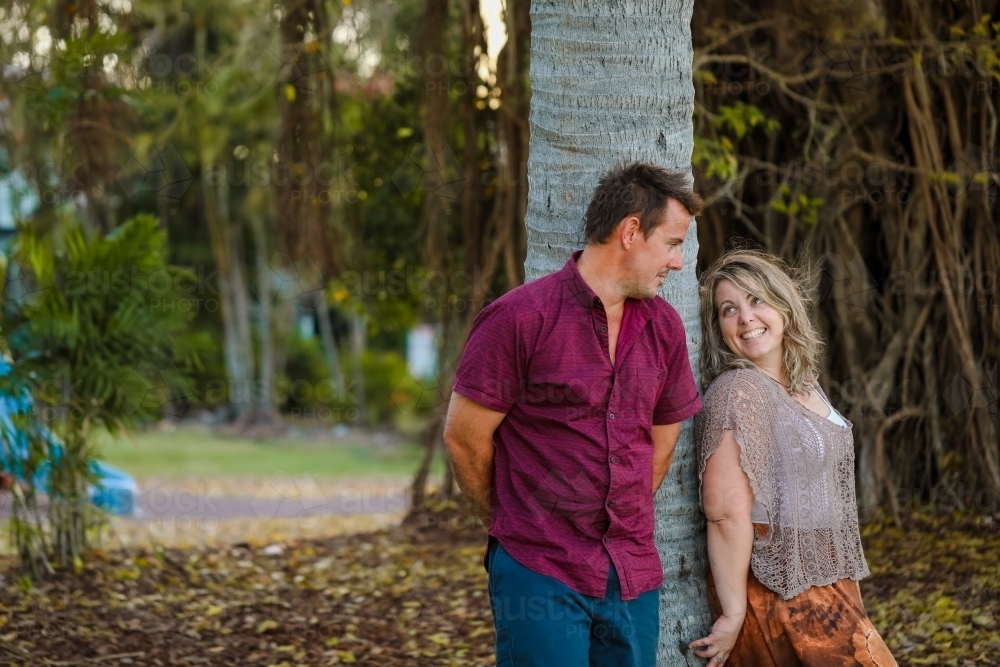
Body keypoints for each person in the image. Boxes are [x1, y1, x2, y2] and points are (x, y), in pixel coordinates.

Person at [443, 162, 704, 667]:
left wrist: (618, 511)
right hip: (540, 569)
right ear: (631, 232)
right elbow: (465, 438)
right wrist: (508, 521)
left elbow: (663, 438)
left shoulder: (664, 328)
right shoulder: (518, 319)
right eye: (672, 244)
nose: (677, 263)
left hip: (630, 575)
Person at [688, 250, 897, 666]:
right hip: (777, 588)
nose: (746, 317)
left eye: (757, 300)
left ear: (784, 305)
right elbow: (725, 511)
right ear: (718, 328)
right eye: (729, 309)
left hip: (828, 583)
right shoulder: (739, 391)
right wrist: (733, 613)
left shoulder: (805, 384)